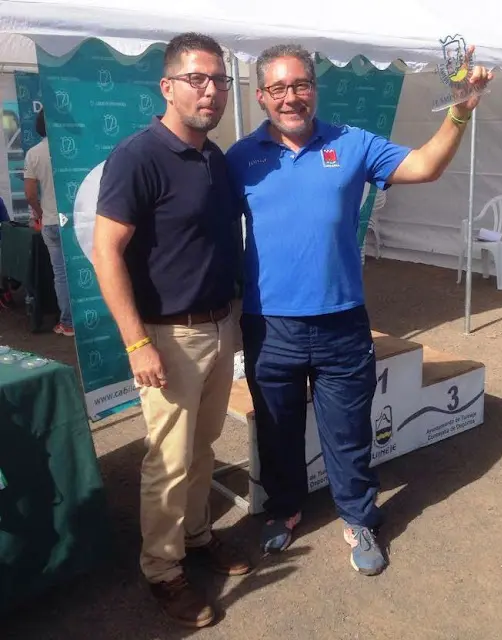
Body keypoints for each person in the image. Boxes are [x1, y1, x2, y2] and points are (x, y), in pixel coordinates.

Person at [226, 44, 492, 577]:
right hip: (269, 325)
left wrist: (460, 111)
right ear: (260, 96)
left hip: (342, 321)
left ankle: (358, 517)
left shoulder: (352, 143)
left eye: (300, 85)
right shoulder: (239, 158)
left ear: (314, 88)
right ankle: (284, 508)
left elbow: (425, 166)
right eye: (278, 88)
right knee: (276, 430)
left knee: (348, 432)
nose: (290, 97)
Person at [92, 32, 250, 628]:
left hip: (218, 326)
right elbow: (106, 252)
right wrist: (137, 343)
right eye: (196, 79)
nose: (210, 91)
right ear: (167, 86)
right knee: (169, 460)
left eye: (219, 81)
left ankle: (197, 535)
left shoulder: (214, 157)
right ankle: (162, 568)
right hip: (168, 337)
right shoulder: (138, 156)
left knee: (203, 447)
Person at [24, 109, 74, 336]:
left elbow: (30, 194)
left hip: (52, 220)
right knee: (83, 270)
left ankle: (68, 322)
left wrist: (40, 213)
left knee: (61, 274)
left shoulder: (34, 153)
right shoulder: (72, 149)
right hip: (75, 220)